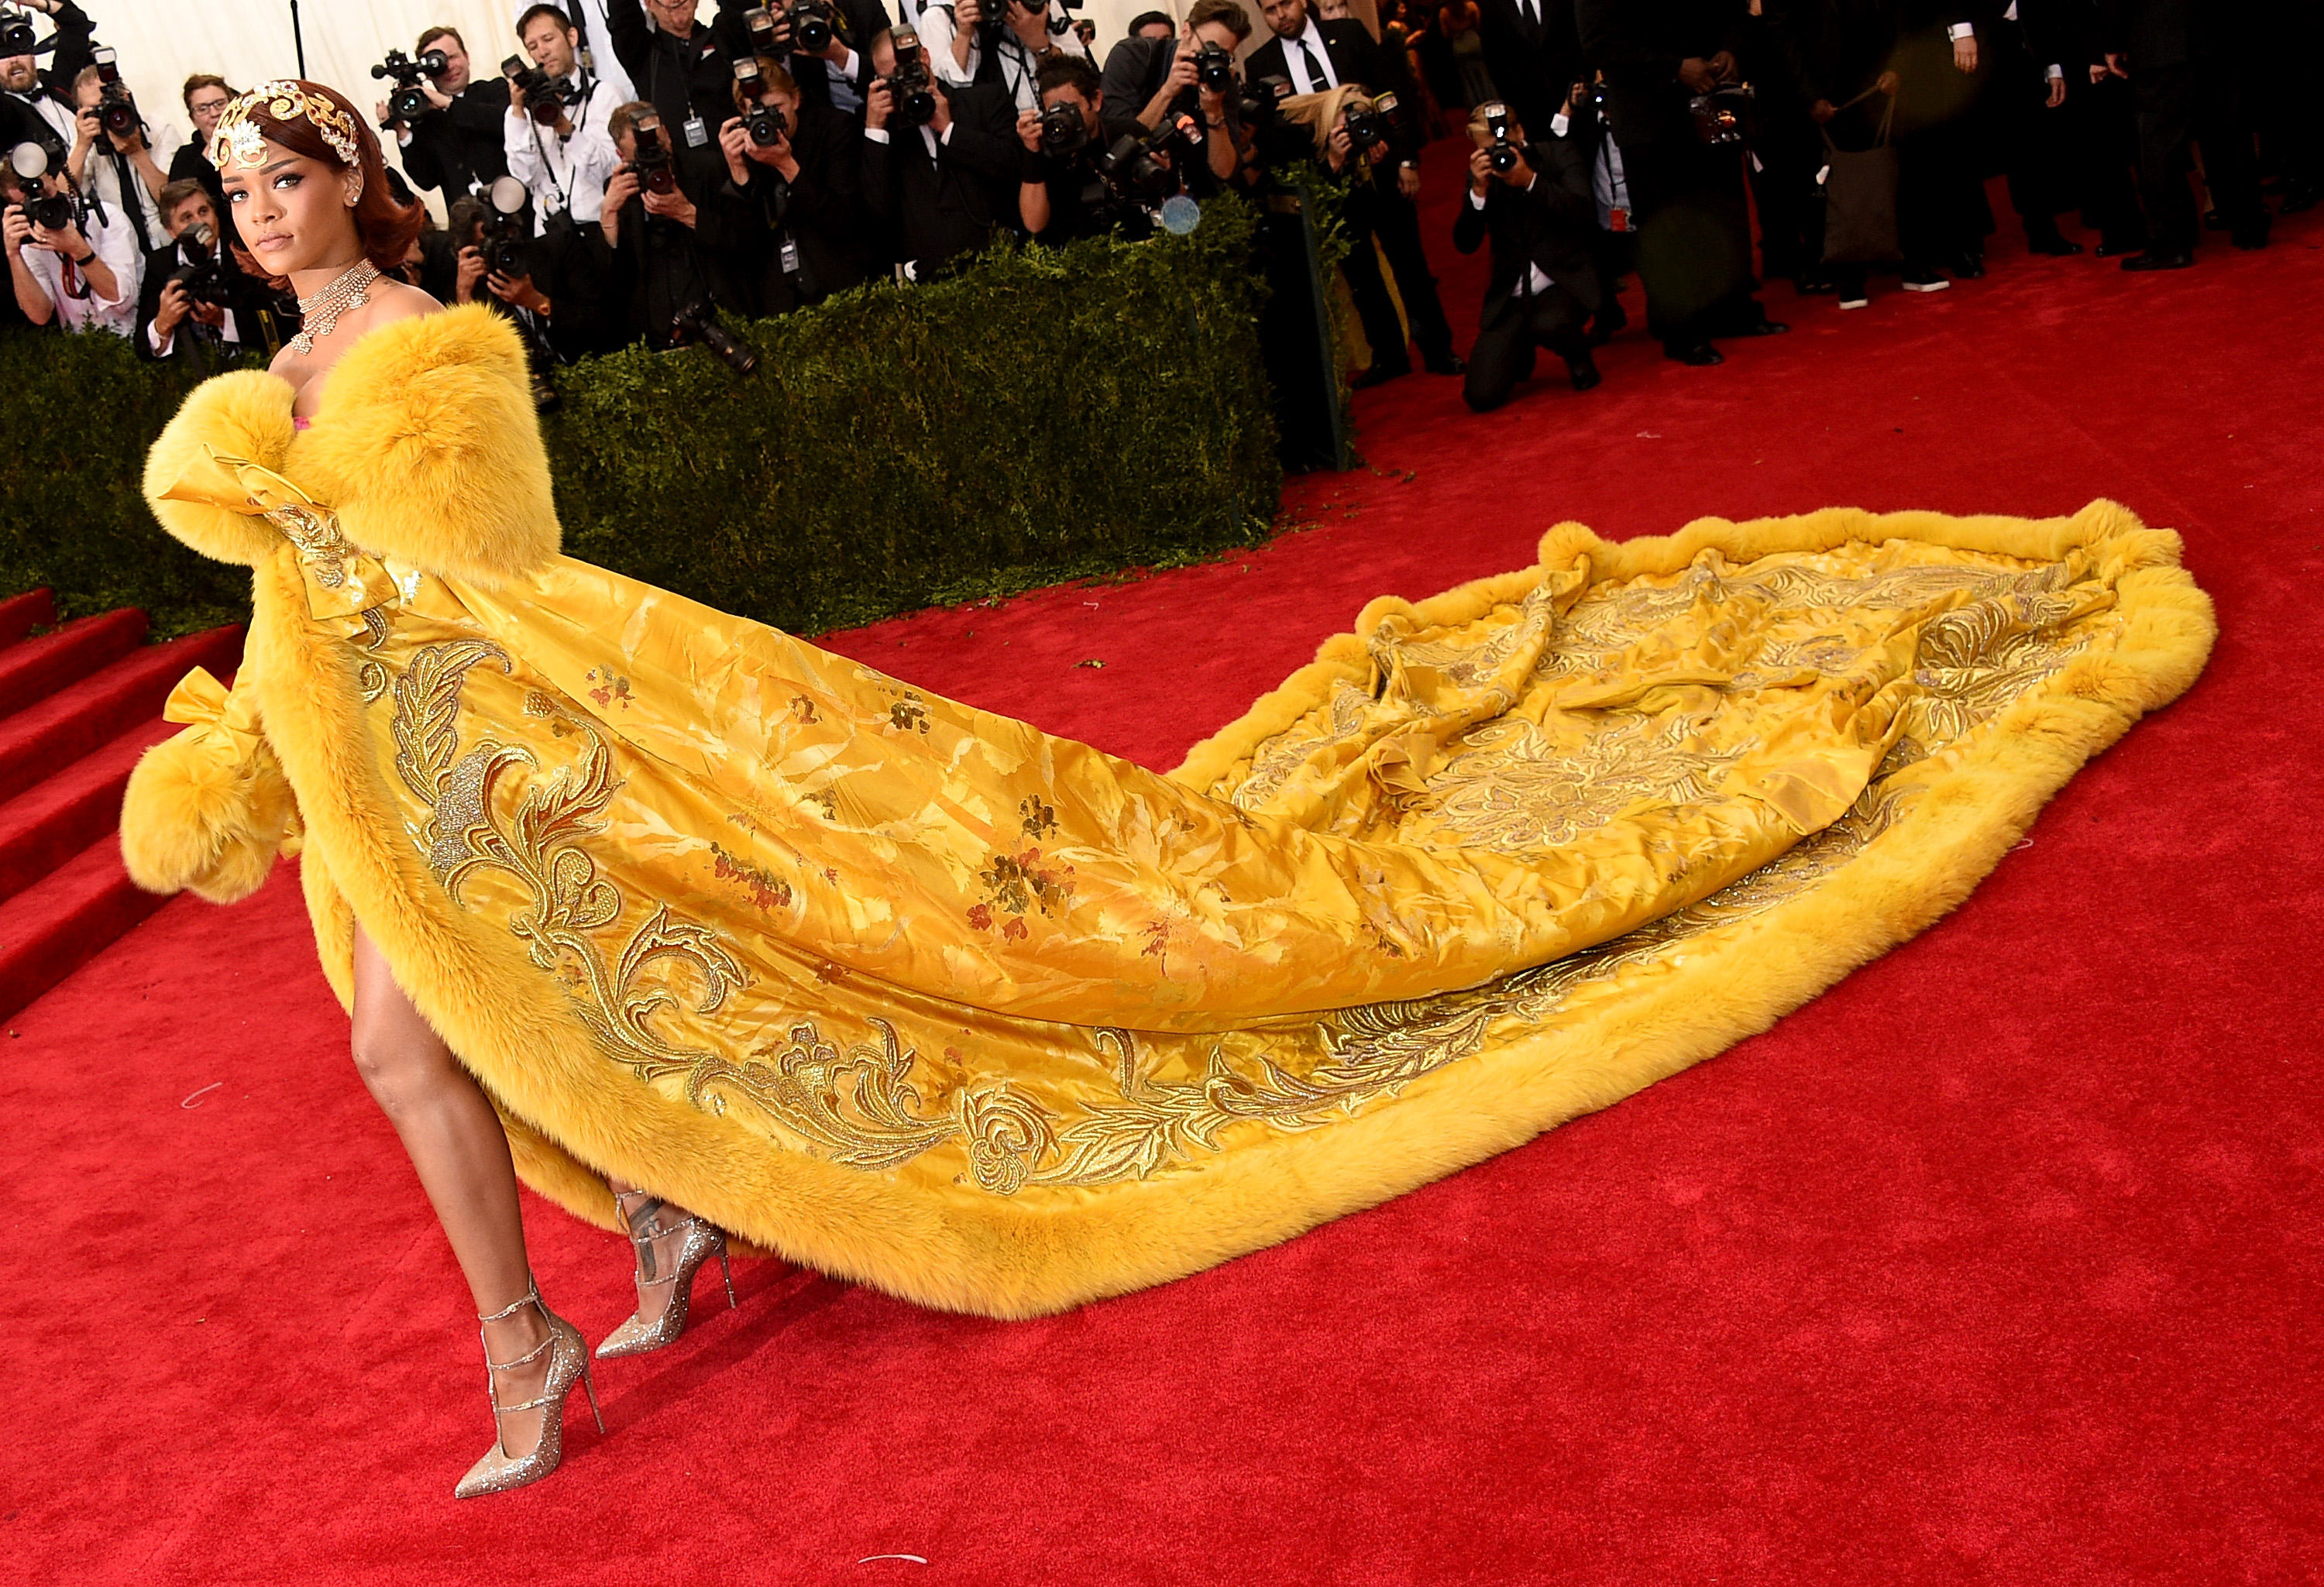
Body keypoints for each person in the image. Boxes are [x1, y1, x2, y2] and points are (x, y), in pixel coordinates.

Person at [126, 78, 2207, 1508]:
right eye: (235, 198)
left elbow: (478, 585)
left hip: (519, 751)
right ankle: (618, 1250)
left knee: (461, 1027)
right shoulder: (260, 397)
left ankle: (541, 1330)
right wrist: (250, 732)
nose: (260, 214)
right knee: (431, 1041)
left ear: (360, 193)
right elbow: (332, 627)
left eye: (288, 184)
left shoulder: (428, 348)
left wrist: (291, 567)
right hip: (382, 779)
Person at [1253, 0, 1464, 378]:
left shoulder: (1348, 34)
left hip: (1383, 170)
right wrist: (1326, 153)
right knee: (1361, 276)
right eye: (1269, 10)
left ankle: (1438, 349)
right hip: (1330, 180)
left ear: (1303, 2)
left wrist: (1406, 160)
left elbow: (1392, 95)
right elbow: (1275, 137)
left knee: (1410, 265)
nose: (1280, 15)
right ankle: (1388, 356)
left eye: (1285, 4)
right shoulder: (1261, 64)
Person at [1573, 0, 1784, 365]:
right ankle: (1682, 332)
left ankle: (1733, 309)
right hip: (1648, 119)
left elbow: (1733, 9)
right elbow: (1600, 44)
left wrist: (1730, 48)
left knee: (1725, 207)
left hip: (1710, 102)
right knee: (1665, 229)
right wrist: (1674, 69)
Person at [1453, 98, 1601, 410]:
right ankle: (1520, 348)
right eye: (1488, 150)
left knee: (1548, 323)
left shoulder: (1557, 154)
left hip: (1562, 280)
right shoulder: (1482, 176)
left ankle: (1577, 353)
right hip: (1513, 292)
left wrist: (1531, 181)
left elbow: (1583, 211)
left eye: (1503, 145)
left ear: (1520, 131)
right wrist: (1478, 194)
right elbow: (1465, 244)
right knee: (1481, 397)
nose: (1499, 156)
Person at [2099, 0, 2267, 268]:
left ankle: (2172, 243)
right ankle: (2250, 227)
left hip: (2159, 36)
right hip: (2219, 32)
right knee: (2231, 131)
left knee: (2158, 142)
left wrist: (2112, 41)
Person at [860, 27, 1020, 277]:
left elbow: (1015, 167)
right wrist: (874, 131)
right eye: (894, 78)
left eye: (910, 71)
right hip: (930, 279)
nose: (906, 83)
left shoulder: (985, 100)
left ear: (925, 57)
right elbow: (876, 212)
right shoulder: (884, 136)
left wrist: (949, 130)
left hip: (1000, 265)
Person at [719, 54, 874, 309]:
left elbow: (845, 220)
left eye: (777, 108)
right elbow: (746, 243)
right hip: (782, 300)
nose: (769, 120)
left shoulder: (835, 129)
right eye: (757, 112)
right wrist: (738, 172)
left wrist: (787, 166)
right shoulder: (745, 148)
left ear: (796, 99)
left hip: (842, 290)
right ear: (742, 113)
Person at [599, 97, 757, 341]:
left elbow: (747, 240)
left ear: (669, 135)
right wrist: (608, 216)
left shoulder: (708, 169)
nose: (655, 157)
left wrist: (688, 213)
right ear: (622, 156)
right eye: (643, 154)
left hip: (722, 321)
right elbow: (618, 281)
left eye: (659, 146)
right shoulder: (621, 192)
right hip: (658, 334)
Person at [134, 177, 294, 368]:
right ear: (171, 231)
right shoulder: (160, 266)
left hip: (260, 365)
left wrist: (224, 319)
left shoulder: (245, 250)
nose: (200, 222)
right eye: (187, 218)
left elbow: (286, 323)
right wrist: (163, 324)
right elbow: (143, 348)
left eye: (204, 211)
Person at [505, 3, 621, 233]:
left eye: (548, 39)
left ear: (572, 36)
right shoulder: (524, 111)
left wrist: (565, 128)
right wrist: (518, 111)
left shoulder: (604, 95)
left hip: (599, 227)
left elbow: (609, 172)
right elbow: (524, 177)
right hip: (550, 235)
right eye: (533, 46)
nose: (542, 51)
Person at [2, 143, 132, 331]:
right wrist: (13, 255)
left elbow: (120, 299)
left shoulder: (106, 218)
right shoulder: (31, 245)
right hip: (83, 348)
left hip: (135, 338)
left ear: (54, 179)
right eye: (27, 203)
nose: (39, 205)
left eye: (41, 193)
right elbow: (40, 315)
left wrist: (78, 249)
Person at [387, 26, 515, 198]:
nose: (448, 67)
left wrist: (448, 104)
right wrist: (402, 131)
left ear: (467, 57)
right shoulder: (426, 120)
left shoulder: (494, 90)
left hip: (516, 206)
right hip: (465, 221)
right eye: (437, 64)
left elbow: (506, 125)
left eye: (452, 57)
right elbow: (426, 180)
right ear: (427, 74)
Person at [67, 61, 180, 259]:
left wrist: (137, 152)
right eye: (96, 110)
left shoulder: (159, 129)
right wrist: (82, 147)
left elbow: (174, 202)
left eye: (107, 105)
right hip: (123, 254)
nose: (106, 115)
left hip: (171, 243)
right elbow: (66, 200)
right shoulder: (85, 142)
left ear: (126, 98)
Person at [920, 0, 1092, 115]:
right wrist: (964, 35)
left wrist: (1039, 43)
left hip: (1054, 127)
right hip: (998, 146)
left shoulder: (1039, 6)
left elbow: (1084, 78)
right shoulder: (940, 18)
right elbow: (943, 102)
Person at [0, 0, 91, 161]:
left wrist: (42, 3)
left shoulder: (58, 84)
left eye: (20, 52)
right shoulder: (6, 111)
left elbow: (76, 26)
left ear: (33, 55)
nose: (14, 61)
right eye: (3, 57)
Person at [167, 75, 235, 212]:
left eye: (220, 103)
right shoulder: (185, 158)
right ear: (193, 119)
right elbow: (181, 208)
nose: (214, 113)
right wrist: (207, 158)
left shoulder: (258, 141)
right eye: (203, 109)